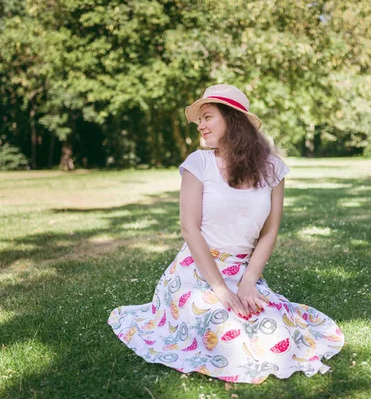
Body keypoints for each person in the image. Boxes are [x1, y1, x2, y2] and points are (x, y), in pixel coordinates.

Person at [108, 84, 344, 384]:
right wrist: (220, 289)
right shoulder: (199, 163)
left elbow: (270, 232)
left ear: (232, 120)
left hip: (243, 270)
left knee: (272, 328)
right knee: (219, 328)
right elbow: (189, 228)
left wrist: (247, 282)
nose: (200, 125)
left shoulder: (273, 169)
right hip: (195, 270)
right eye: (199, 121)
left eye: (208, 117)